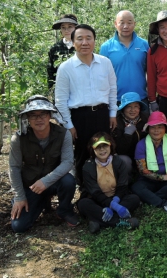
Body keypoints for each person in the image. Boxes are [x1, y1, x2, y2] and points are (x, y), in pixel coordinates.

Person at [55, 24, 118, 180]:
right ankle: (85, 190)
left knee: (105, 150)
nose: (85, 42)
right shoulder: (65, 68)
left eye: (88, 38)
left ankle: (106, 184)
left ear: (94, 41)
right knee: (83, 153)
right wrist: (69, 125)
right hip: (80, 117)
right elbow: (60, 100)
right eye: (80, 39)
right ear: (73, 42)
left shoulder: (105, 62)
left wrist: (112, 114)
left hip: (103, 114)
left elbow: (112, 90)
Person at [9, 95, 78, 233]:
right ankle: (39, 202)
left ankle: (64, 210)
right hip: (31, 186)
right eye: (33, 115)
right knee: (19, 226)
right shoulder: (18, 138)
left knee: (68, 181)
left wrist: (46, 181)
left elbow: (68, 162)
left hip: (53, 181)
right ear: (27, 118)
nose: (39, 119)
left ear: (50, 116)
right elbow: (14, 168)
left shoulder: (63, 134)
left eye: (43, 114)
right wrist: (20, 197)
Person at [77, 132, 140, 233]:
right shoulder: (87, 167)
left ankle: (98, 221)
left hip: (117, 198)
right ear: (93, 149)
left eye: (105, 145)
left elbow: (123, 186)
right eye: (98, 147)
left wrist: (115, 202)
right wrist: (113, 206)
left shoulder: (119, 162)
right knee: (83, 204)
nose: (102, 150)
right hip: (97, 200)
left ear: (110, 145)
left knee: (134, 199)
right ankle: (120, 222)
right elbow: (94, 192)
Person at [131, 111, 167, 214]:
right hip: (148, 180)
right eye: (153, 127)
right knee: (136, 187)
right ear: (148, 129)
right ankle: (164, 204)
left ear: (165, 129)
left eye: (160, 127)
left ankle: (148, 198)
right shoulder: (141, 145)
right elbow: (142, 171)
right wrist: (162, 177)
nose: (156, 131)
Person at [99, 10, 149, 106]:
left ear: (134, 24)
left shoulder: (144, 45)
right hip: (116, 100)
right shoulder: (106, 47)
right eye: (122, 23)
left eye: (129, 22)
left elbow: (150, 72)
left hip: (141, 99)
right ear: (115, 24)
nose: (126, 26)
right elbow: (102, 76)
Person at [112, 92, 149, 170]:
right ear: (123, 108)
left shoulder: (145, 119)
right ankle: (127, 179)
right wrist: (127, 134)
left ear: (139, 108)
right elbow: (119, 150)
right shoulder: (117, 123)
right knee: (124, 160)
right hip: (126, 155)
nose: (133, 110)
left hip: (143, 154)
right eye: (129, 107)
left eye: (136, 106)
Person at [47, 14, 78, 90]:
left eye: (70, 27)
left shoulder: (82, 46)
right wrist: (52, 89)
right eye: (63, 27)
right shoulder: (55, 48)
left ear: (76, 28)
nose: (66, 30)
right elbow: (50, 72)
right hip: (61, 89)